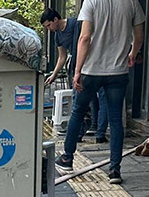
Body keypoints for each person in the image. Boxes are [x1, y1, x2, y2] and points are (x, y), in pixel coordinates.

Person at [56, 0, 144, 184]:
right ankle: (114, 170)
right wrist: (133, 54)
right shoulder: (132, 2)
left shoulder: (91, 1)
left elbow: (84, 38)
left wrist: (77, 70)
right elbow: (139, 35)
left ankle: (67, 158)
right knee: (116, 120)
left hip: (91, 71)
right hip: (118, 71)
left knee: (78, 112)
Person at [41, 8, 107, 143]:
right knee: (80, 97)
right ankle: (81, 128)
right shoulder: (57, 35)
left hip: (91, 63)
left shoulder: (75, 23)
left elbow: (86, 40)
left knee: (95, 95)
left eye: (49, 25)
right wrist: (54, 74)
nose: (49, 28)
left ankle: (97, 128)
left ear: (55, 19)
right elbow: (62, 56)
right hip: (76, 65)